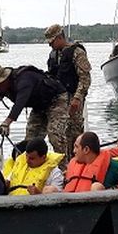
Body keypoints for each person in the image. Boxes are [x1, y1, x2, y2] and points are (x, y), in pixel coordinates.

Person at [0, 65, 70, 167]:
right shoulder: (2, 88)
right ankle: (33, 171)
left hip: (57, 100)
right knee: (30, 142)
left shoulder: (24, 80)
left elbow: (19, 104)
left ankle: (63, 168)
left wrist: (6, 123)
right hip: (39, 106)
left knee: (55, 135)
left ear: (4, 80)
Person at [45, 24, 92, 161]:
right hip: (59, 99)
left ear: (60, 37)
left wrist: (77, 98)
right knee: (59, 134)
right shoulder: (54, 54)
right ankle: (65, 163)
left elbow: (85, 78)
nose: (50, 45)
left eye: (52, 41)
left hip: (73, 97)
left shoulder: (76, 52)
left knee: (74, 132)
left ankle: (79, 161)